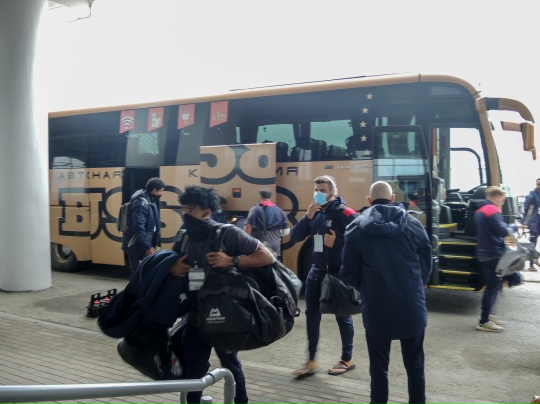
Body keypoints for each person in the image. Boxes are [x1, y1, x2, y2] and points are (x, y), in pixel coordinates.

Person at [169, 185, 275, 404]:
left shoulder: (228, 233)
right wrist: (172, 267)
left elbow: (267, 256)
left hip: (225, 317)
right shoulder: (183, 235)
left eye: (191, 210)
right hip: (195, 316)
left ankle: (240, 401)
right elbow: (171, 261)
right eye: (184, 209)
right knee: (193, 369)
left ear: (206, 212)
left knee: (230, 365)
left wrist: (232, 260)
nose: (186, 215)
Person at [340, 181, 432, 404]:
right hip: (411, 306)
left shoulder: (356, 228)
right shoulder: (413, 224)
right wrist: (414, 286)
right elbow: (426, 264)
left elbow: (348, 273)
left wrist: (369, 288)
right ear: (392, 199)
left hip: (377, 308)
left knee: (379, 368)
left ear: (369, 200)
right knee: (415, 366)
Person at [289, 175, 358, 378]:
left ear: (332, 192)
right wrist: (307, 217)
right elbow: (295, 236)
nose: (318, 193)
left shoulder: (345, 213)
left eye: (322, 190)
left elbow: (361, 241)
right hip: (316, 272)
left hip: (337, 274)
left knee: (342, 316)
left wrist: (338, 243)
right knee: (312, 316)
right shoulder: (315, 213)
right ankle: (311, 361)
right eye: (316, 190)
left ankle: (347, 358)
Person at [474, 186, 521, 332]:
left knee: (496, 284)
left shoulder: (480, 210)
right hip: (492, 253)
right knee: (492, 287)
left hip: (485, 252)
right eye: (502, 199)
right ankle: (484, 321)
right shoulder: (492, 210)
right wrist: (515, 226)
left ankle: (490, 315)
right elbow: (503, 231)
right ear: (497, 197)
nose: (502, 202)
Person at [121, 177, 165, 271]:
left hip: (142, 246)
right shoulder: (141, 203)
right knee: (139, 273)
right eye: (161, 191)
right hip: (137, 247)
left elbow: (152, 225)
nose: (162, 193)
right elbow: (138, 227)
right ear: (154, 190)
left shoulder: (150, 201)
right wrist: (148, 246)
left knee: (144, 273)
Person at [244, 188, 289, 260]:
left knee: (258, 265)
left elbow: (247, 230)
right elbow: (286, 231)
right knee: (274, 264)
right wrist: (276, 234)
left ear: (260, 196)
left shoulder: (254, 209)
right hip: (275, 247)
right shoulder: (280, 211)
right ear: (270, 197)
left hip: (258, 246)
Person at [522, 178, 540, 271]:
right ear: (536, 185)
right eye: (538, 184)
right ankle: (531, 264)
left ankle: (535, 260)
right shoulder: (531, 196)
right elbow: (525, 210)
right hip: (534, 223)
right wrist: (524, 223)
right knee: (532, 244)